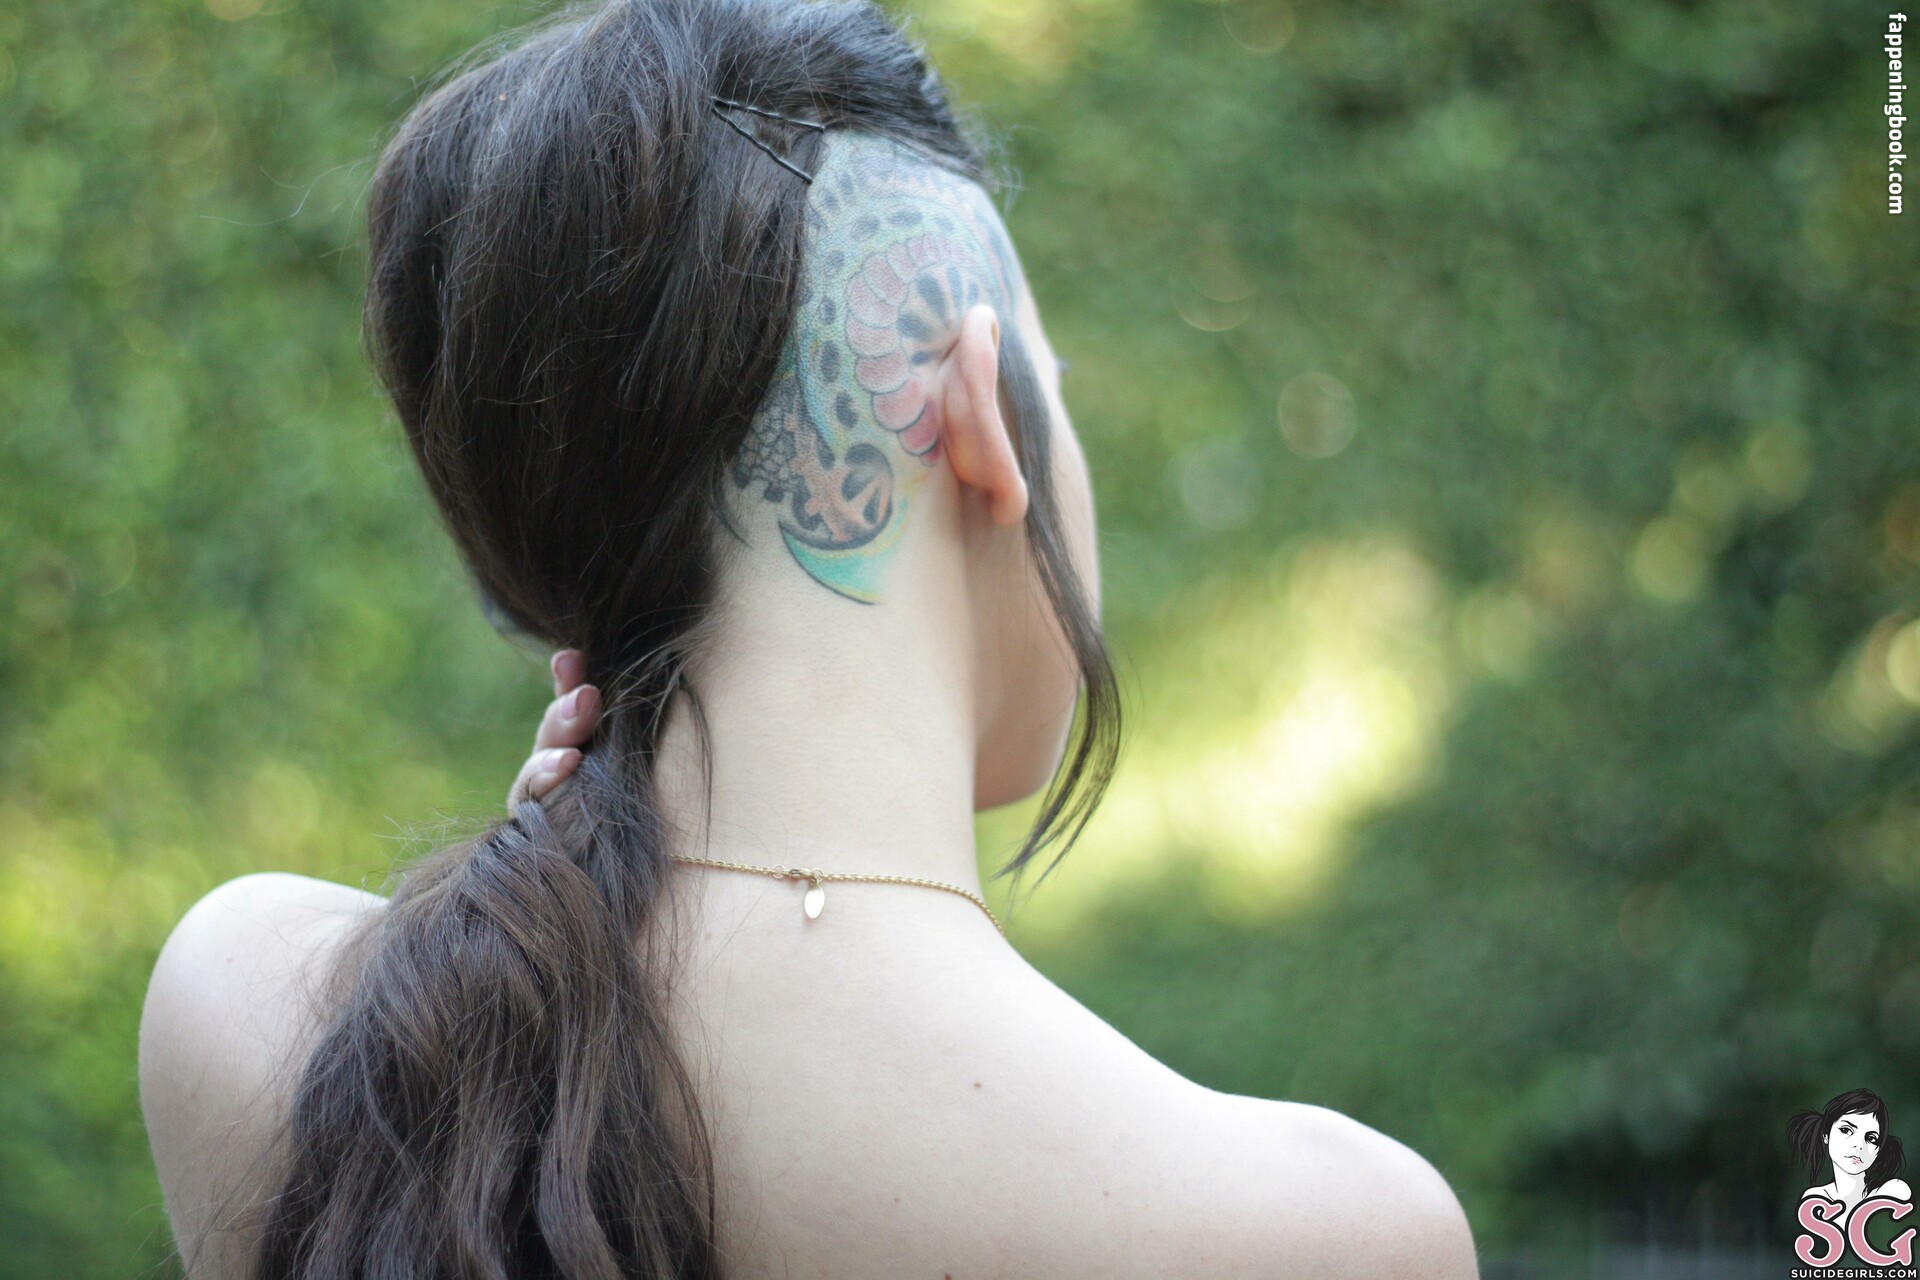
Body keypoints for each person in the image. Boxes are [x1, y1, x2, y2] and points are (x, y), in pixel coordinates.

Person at [137, 0, 1480, 1275]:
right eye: (1054, 383)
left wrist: (530, 924)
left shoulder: (257, 1015)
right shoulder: (1329, 1234)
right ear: (976, 410)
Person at [1792, 1089, 1912, 1231]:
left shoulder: (1893, 1191)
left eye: (1871, 1138)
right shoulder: (1815, 1199)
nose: (1859, 1145)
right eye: (1846, 1130)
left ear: (1879, 1149)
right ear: (1826, 1135)